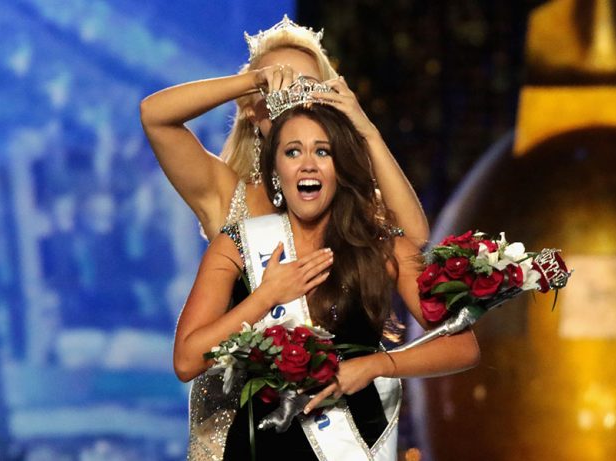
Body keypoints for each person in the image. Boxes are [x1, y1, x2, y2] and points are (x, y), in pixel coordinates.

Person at [173, 99, 479, 460]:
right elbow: (187, 361)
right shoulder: (237, 244)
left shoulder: (383, 247)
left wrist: (377, 365)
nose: (307, 164)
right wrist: (267, 295)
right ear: (276, 168)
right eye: (292, 151)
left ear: (341, 167)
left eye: (323, 151)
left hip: (352, 440)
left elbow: (462, 346)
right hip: (262, 444)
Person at [139, 15, 428, 246]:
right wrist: (252, 81)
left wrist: (368, 132)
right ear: (252, 112)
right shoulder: (226, 196)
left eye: (306, 88)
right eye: (277, 88)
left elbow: (415, 239)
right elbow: (155, 115)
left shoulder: (348, 200)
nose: (295, 103)